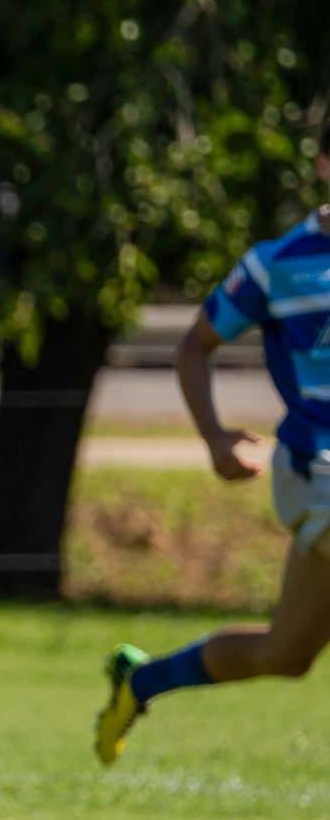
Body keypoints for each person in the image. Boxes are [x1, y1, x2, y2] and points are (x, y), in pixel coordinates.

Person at [97, 138, 330, 765]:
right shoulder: (276, 263)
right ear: (323, 165)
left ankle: (140, 681)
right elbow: (195, 345)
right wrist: (216, 436)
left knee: (286, 654)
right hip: (318, 468)